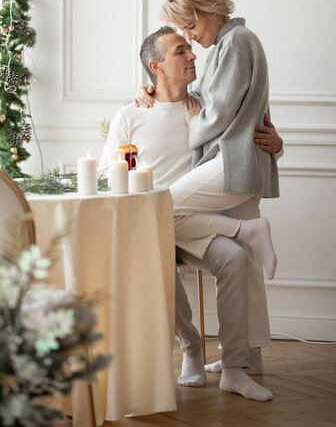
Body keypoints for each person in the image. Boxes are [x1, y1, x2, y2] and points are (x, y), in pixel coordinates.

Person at [100, 26, 283, 402]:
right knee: (155, 252)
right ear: (156, 67)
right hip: (152, 224)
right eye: (180, 51)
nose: (193, 56)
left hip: (193, 221)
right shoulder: (130, 114)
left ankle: (234, 366)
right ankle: (191, 349)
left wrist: (277, 146)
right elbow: (106, 174)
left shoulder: (207, 108)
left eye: (189, 48)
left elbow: (245, 150)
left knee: (232, 258)